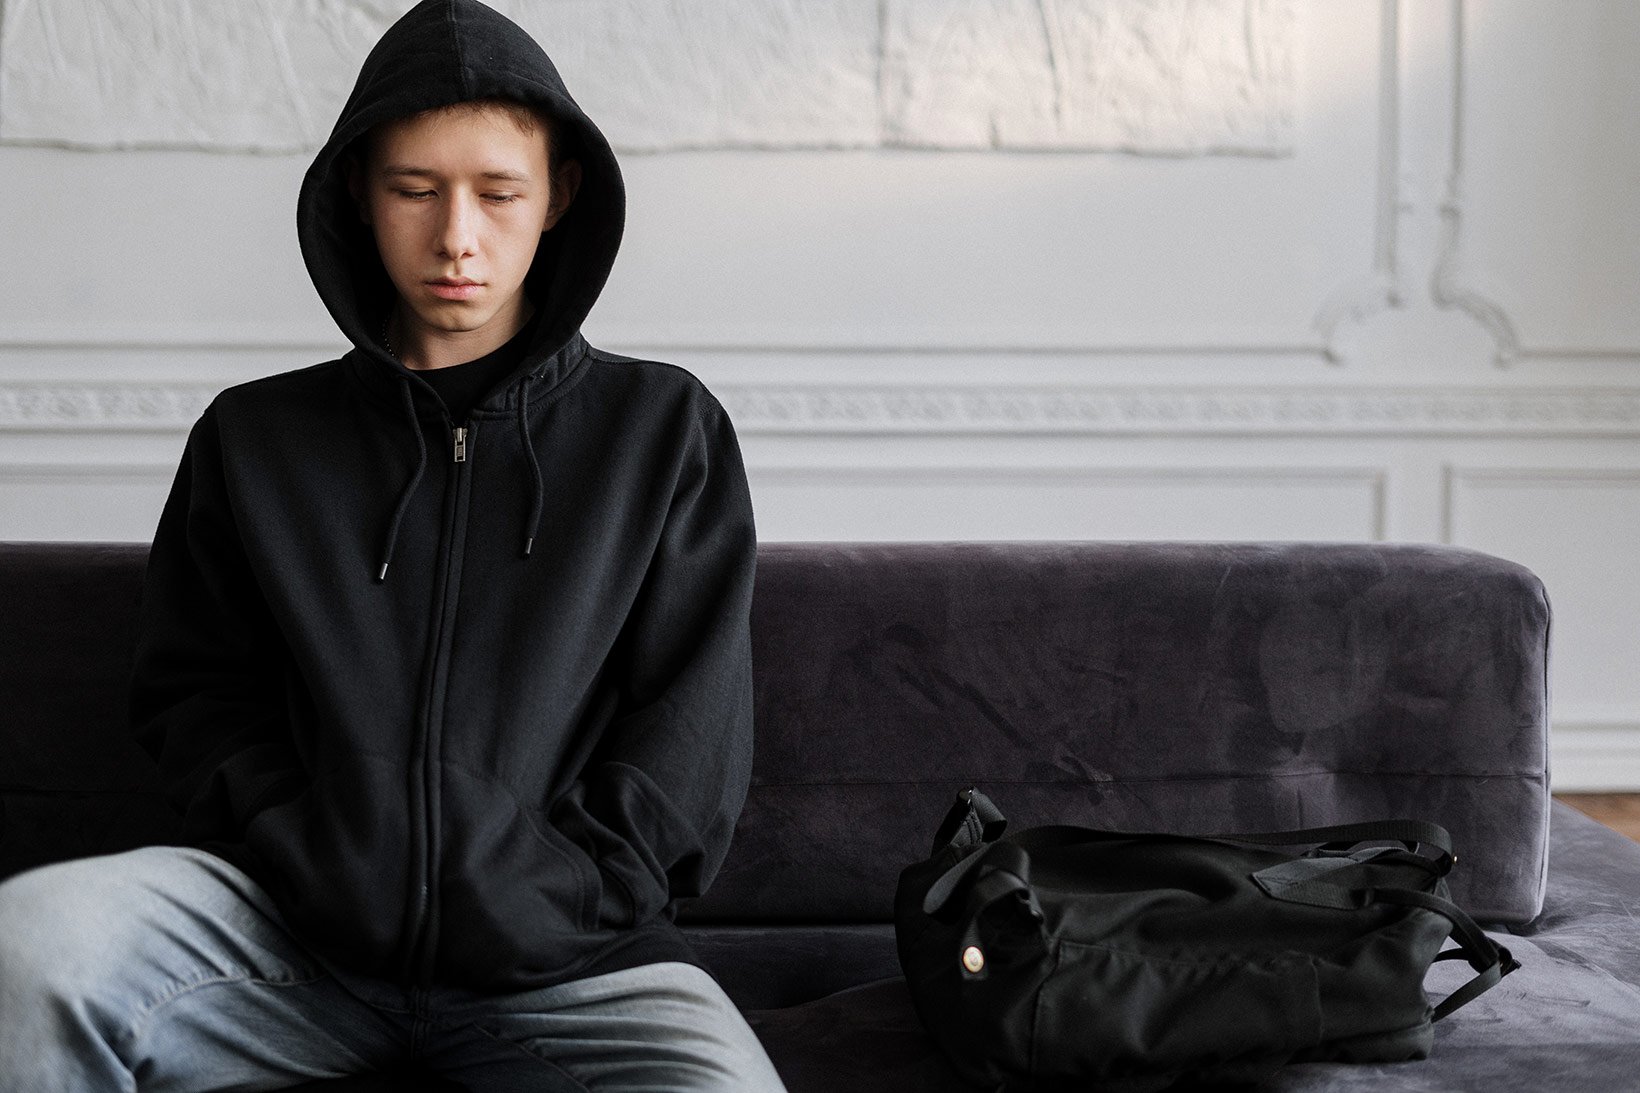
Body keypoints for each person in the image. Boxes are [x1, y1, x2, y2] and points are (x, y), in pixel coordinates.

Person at [0, 1, 785, 1088]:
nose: (456, 236)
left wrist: (561, 893)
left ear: (557, 194)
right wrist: (303, 846)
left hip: (578, 965)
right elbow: (194, 695)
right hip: (284, 943)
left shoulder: (663, 432)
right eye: (413, 190)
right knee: (30, 944)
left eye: (497, 193)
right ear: (360, 197)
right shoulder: (254, 438)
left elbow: (689, 737)